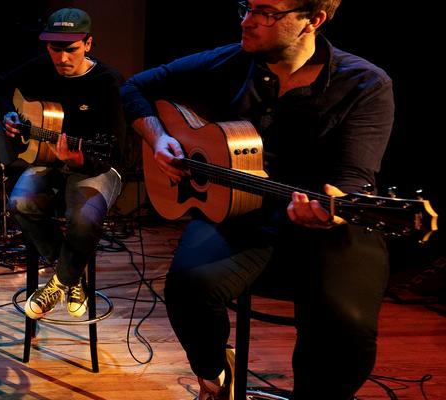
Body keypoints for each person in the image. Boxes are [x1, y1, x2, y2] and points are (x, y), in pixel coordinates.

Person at [120, 1, 394, 398]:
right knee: (186, 287)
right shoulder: (229, 61)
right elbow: (135, 87)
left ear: (312, 20)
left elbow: (352, 180)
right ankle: (215, 376)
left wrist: (335, 210)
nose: (247, 21)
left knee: (345, 327)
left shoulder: (365, 83)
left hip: (329, 222)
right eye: (247, 7)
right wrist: (159, 138)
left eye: (267, 12)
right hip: (239, 210)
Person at [0, 8, 125, 320]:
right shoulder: (41, 67)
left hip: (96, 165)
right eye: (55, 49)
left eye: (71, 49)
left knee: (83, 218)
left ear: (88, 44)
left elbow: (116, 152)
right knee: (21, 202)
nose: (62, 58)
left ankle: (59, 281)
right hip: (48, 160)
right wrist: (6, 115)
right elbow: (1, 87)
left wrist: (82, 159)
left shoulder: (109, 83)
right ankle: (72, 275)